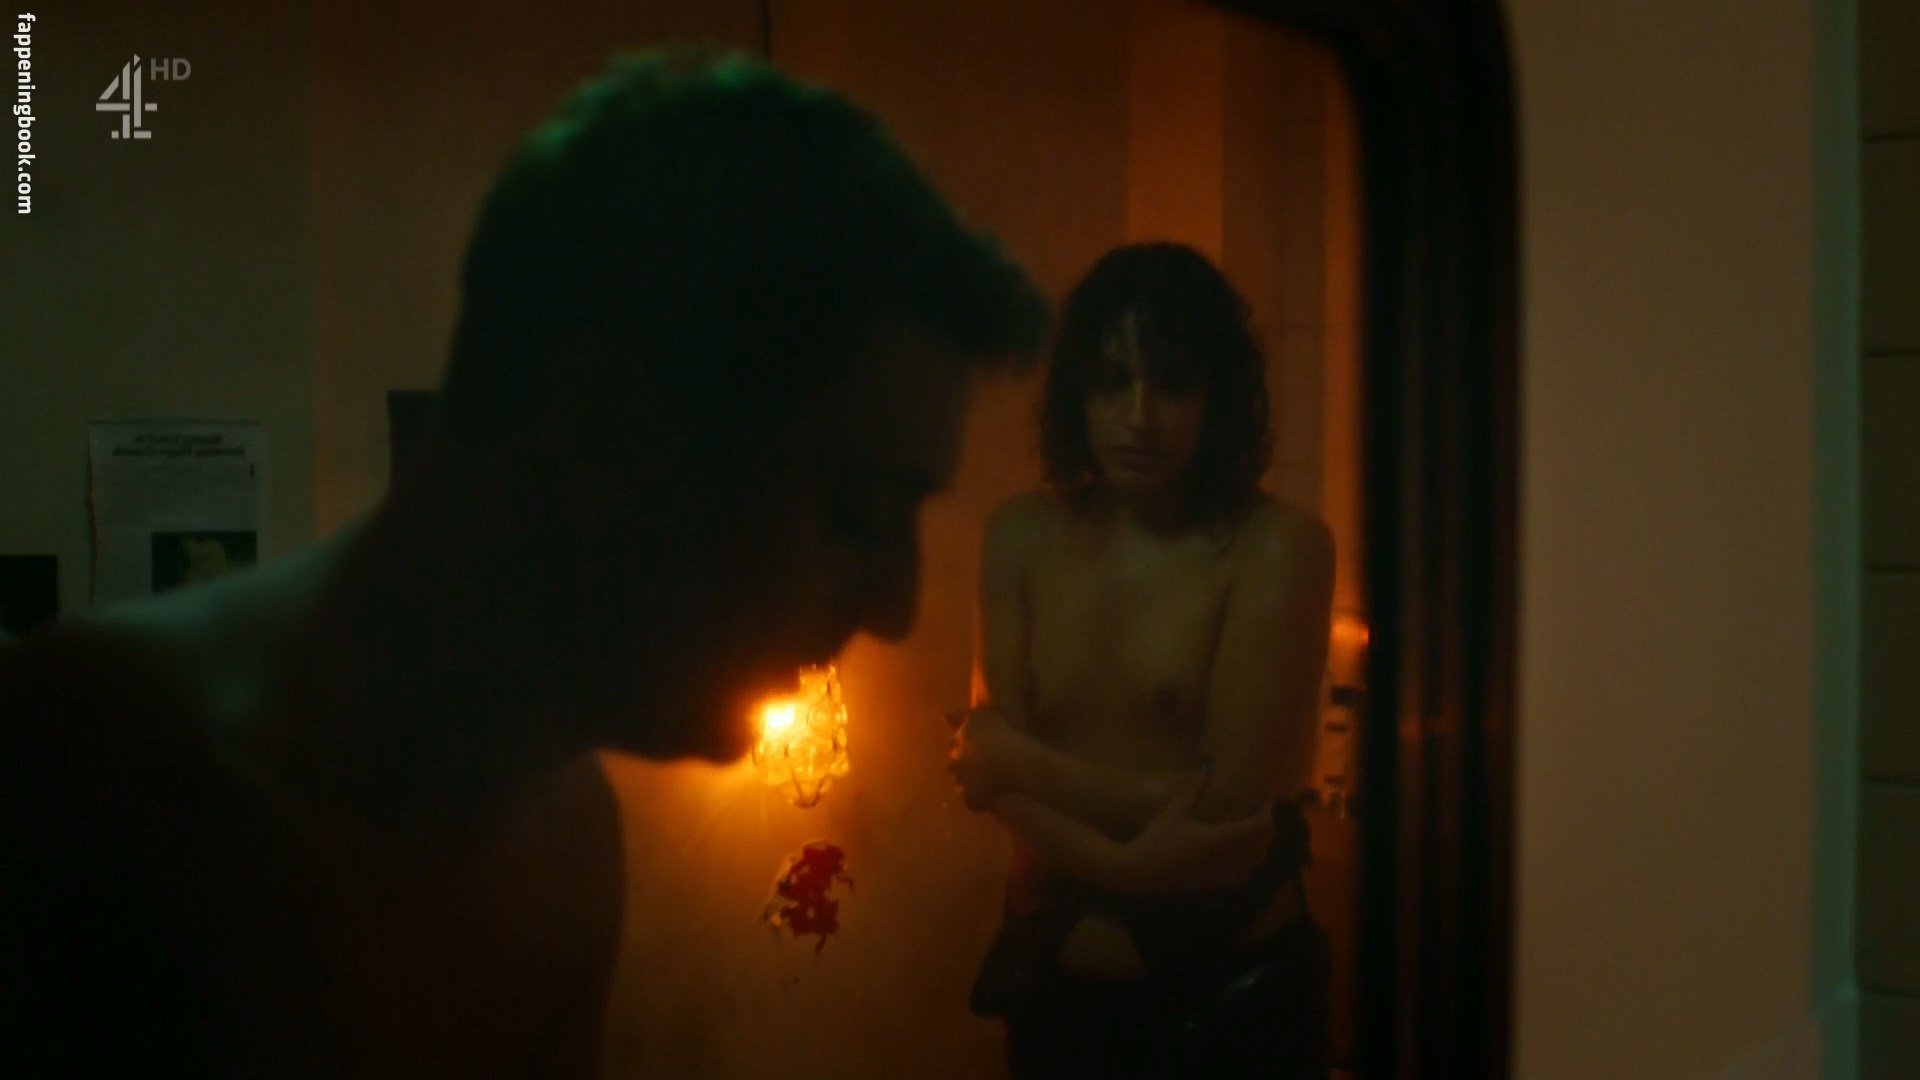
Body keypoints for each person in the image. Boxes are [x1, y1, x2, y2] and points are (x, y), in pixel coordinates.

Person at [0, 50, 1049, 1077]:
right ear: (603, 422)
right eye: (856, 511)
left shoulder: (565, 837)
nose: (900, 607)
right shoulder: (91, 766)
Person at [949, 242, 1336, 1077]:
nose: (1138, 415)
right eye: (1111, 380)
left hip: (1234, 992)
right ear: (1076, 393)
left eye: (1172, 383)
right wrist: (1126, 862)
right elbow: (989, 778)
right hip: (1057, 988)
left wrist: (1018, 761)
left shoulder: (1277, 546)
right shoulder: (1019, 536)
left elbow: (1230, 808)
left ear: (1218, 397)